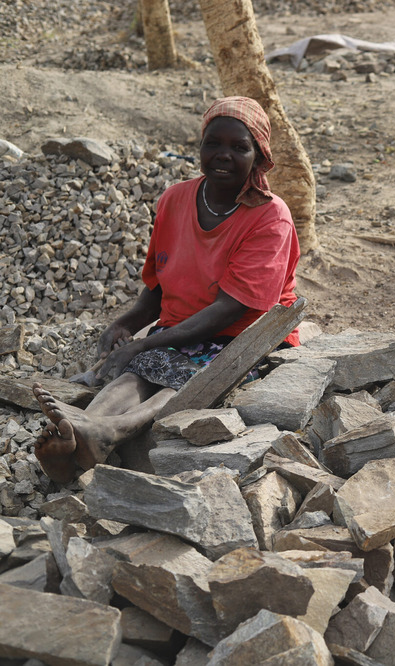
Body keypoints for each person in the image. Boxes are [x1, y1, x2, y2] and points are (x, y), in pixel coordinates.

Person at [32, 96, 301, 485]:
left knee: (180, 376)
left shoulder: (270, 216)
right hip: (184, 326)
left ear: (258, 157)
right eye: (213, 143)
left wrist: (142, 343)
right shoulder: (176, 198)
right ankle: (82, 431)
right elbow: (158, 287)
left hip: (245, 336)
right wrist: (125, 325)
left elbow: (230, 309)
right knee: (135, 372)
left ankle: (107, 434)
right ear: (201, 146)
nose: (223, 155)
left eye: (239, 147)